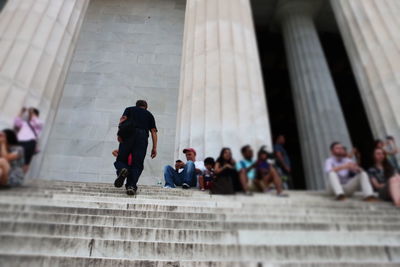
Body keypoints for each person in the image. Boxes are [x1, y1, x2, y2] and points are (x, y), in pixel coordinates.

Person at [114, 100, 158, 196]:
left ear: (136, 105)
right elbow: (153, 131)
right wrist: (154, 148)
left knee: (121, 159)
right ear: (146, 107)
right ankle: (131, 186)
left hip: (128, 134)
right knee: (137, 163)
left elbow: (122, 120)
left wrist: (119, 134)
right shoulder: (149, 115)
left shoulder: (129, 109)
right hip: (142, 137)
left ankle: (122, 169)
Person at [13, 107, 43, 172]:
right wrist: (22, 112)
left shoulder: (39, 122)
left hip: (30, 142)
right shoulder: (25, 123)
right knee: (14, 157)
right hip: (20, 142)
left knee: (26, 161)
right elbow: (16, 122)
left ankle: (21, 176)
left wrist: (33, 114)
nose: (30, 115)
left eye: (32, 113)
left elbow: (37, 123)